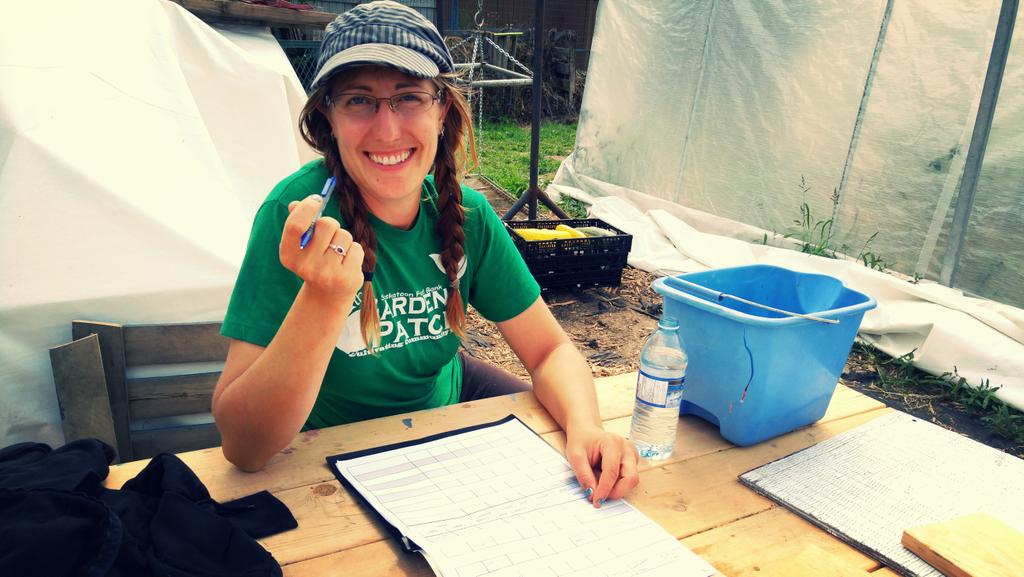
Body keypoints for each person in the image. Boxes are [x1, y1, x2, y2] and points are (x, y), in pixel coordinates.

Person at [211, 0, 638, 507]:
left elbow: (549, 351)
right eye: (358, 100)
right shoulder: (297, 220)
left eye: (409, 97)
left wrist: (587, 427)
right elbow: (244, 448)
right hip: (333, 451)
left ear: (442, 111)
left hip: (446, 406)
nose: (387, 130)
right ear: (328, 116)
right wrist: (324, 298)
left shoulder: (467, 214)